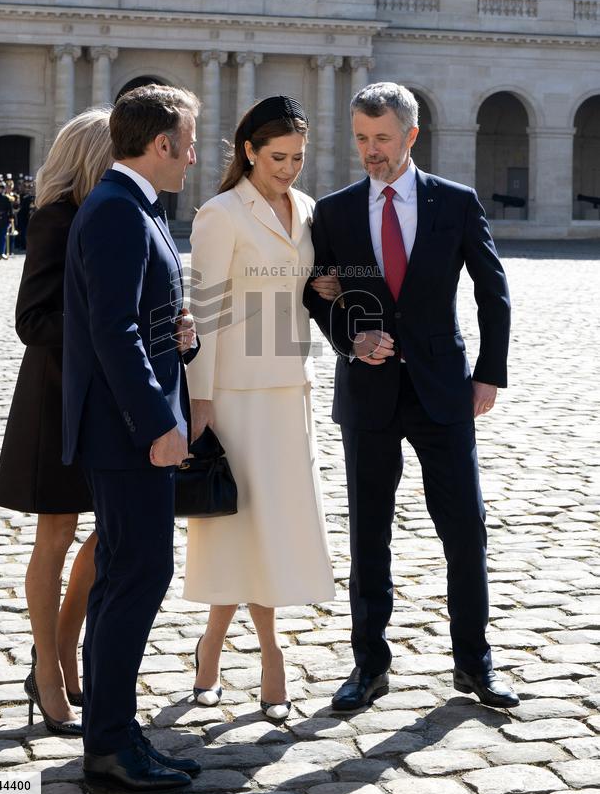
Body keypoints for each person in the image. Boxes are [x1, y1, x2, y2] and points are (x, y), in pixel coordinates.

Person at [304, 82, 519, 712]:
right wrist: (350, 339)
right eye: (363, 140)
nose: (371, 152)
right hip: (367, 394)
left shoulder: (455, 203)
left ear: (411, 137)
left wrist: (489, 374)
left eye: (383, 140)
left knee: (465, 529)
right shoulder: (336, 211)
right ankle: (368, 665)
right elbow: (319, 292)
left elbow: (493, 290)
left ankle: (475, 663)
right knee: (370, 532)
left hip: (443, 390)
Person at [62, 84, 202, 794]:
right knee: (136, 576)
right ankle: (110, 743)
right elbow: (111, 332)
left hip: (126, 430)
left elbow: (134, 318)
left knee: (123, 576)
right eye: (190, 139)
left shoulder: (134, 206)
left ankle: (112, 729)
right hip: (128, 435)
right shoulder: (118, 210)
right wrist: (159, 425)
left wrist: (181, 334)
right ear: (160, 145)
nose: (195, 153)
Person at [184, 96, 340, 723]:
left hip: (289, 389)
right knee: (239, 526)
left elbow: (289, 286)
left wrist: (314, 287)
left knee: (266, 528)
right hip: (234, 396)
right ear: (249, 151)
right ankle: (271, 658)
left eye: (299, 158)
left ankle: (210, 650)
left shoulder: (306, 210)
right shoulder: (219, 215)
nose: (289, 169)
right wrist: (199, 402)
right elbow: (207, 313)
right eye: (278, 157)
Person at [0, 109, 116, 736]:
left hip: (110, 399)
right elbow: (32, 321)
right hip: (57, 395)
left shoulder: (115, 213)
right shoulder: (55, 219)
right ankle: (47, 668)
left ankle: (66, 647)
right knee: (58, 532)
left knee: (112, 529)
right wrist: (108, 336)